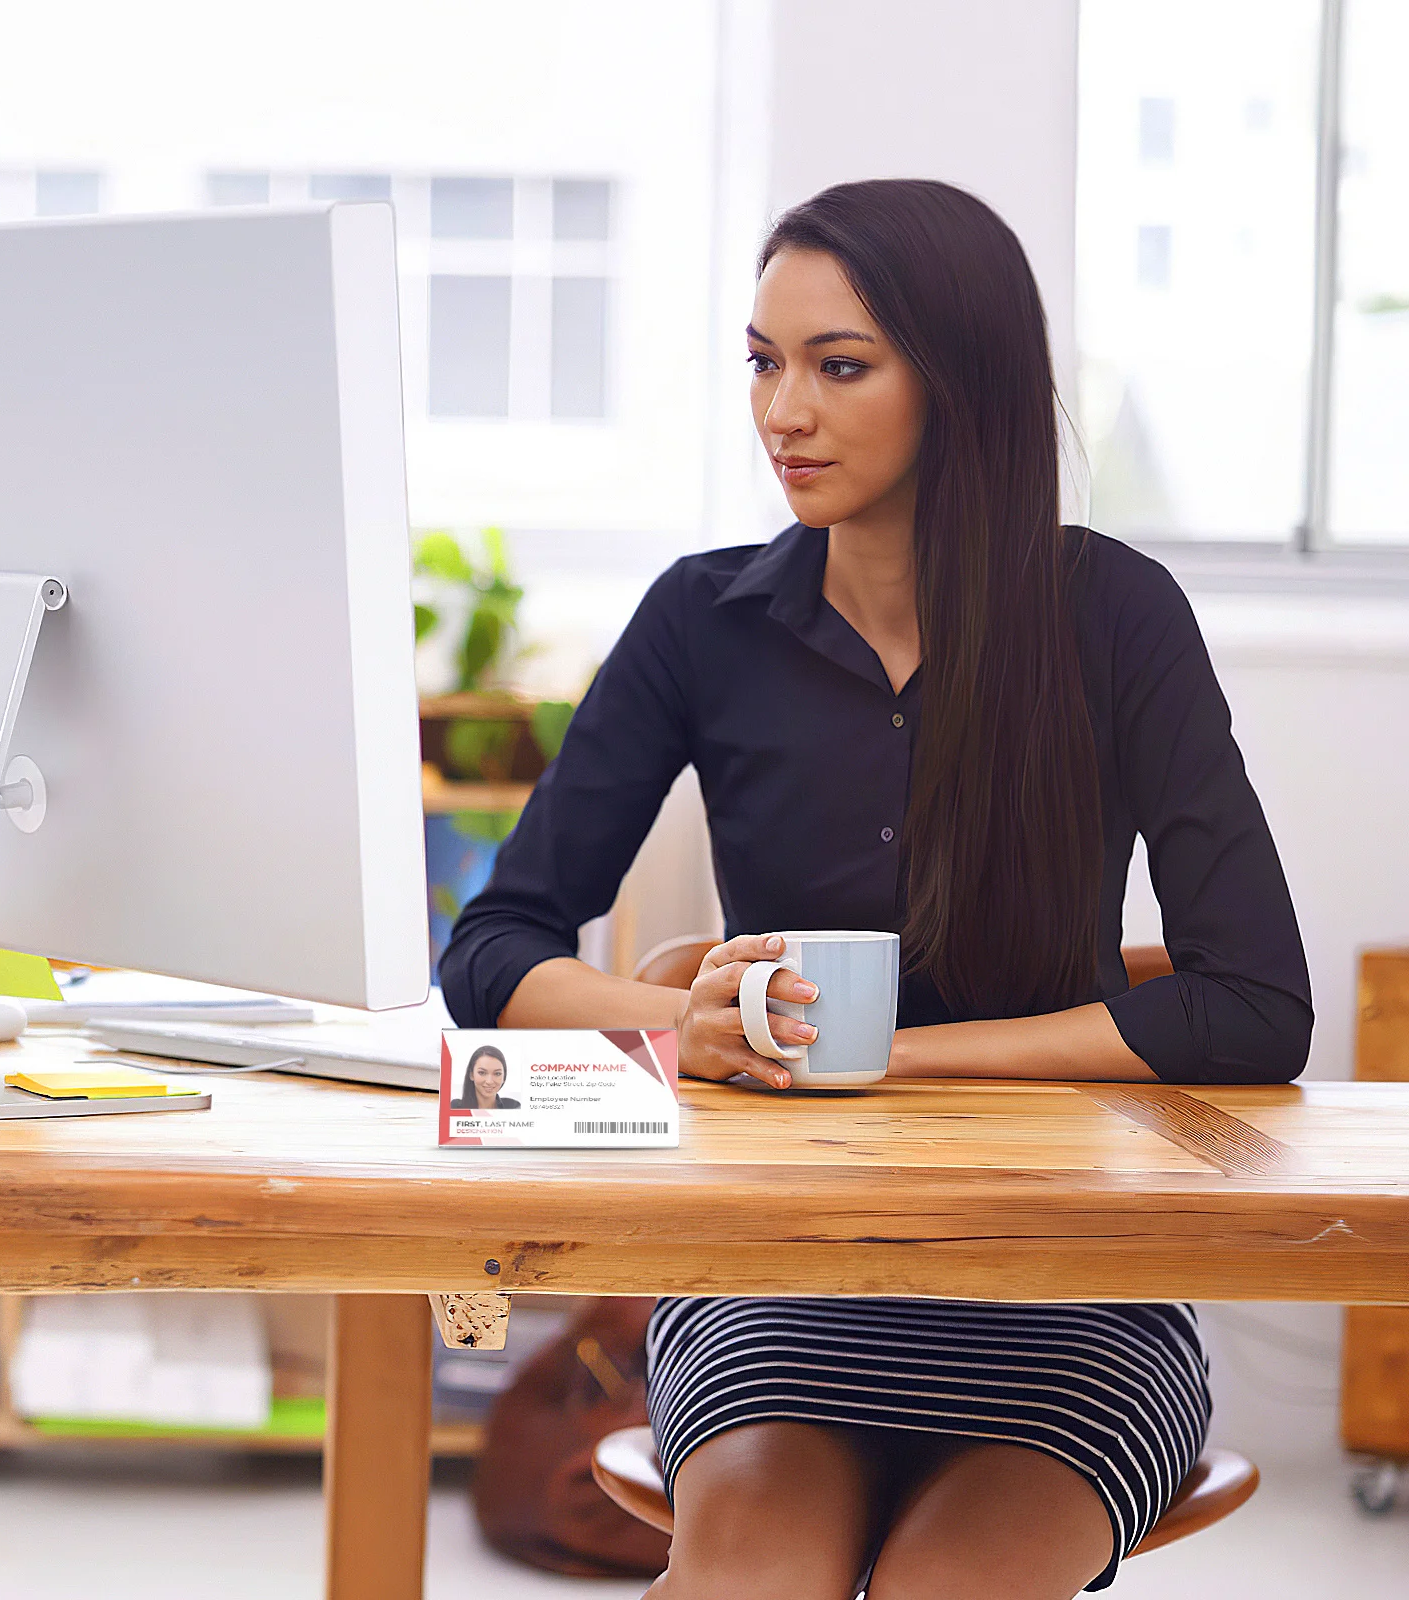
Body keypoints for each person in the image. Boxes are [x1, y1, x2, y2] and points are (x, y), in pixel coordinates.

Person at [439, 179, 1311, 1599]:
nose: (784, 410)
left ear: (958, 388)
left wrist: (899, 1058)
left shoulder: (1115, 617)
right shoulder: (700, 622)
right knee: (748, 1584)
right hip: (776, 1287)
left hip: (1064, 1297)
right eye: (763, 362)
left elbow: (1257, 1006)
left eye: (839, 367)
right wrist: (677, 1031)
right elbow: (493, 950)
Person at [452, 1044, 520, 1112]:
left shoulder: (513, 1107)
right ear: (471, 1075)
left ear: (504, 1077)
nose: (489, 1081)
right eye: (482, 1073)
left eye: (497, 1073)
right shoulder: (454, 1107)